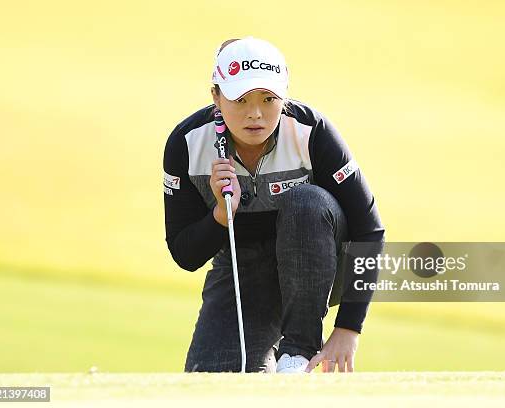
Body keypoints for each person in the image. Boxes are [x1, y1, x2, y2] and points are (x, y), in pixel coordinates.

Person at [162, 37, 384, 373]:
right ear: (216, 97)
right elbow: (185, 254)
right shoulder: (188, 144)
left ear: (285, 95)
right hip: (244, 266)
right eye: (240, 100)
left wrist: (348, 328)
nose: (256, 114)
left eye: (269, 99)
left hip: (320, 257)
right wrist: (220, 217)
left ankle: (297, 352)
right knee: (213, 381)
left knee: (307, 202)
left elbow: (370, 229)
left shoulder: (312, 132)